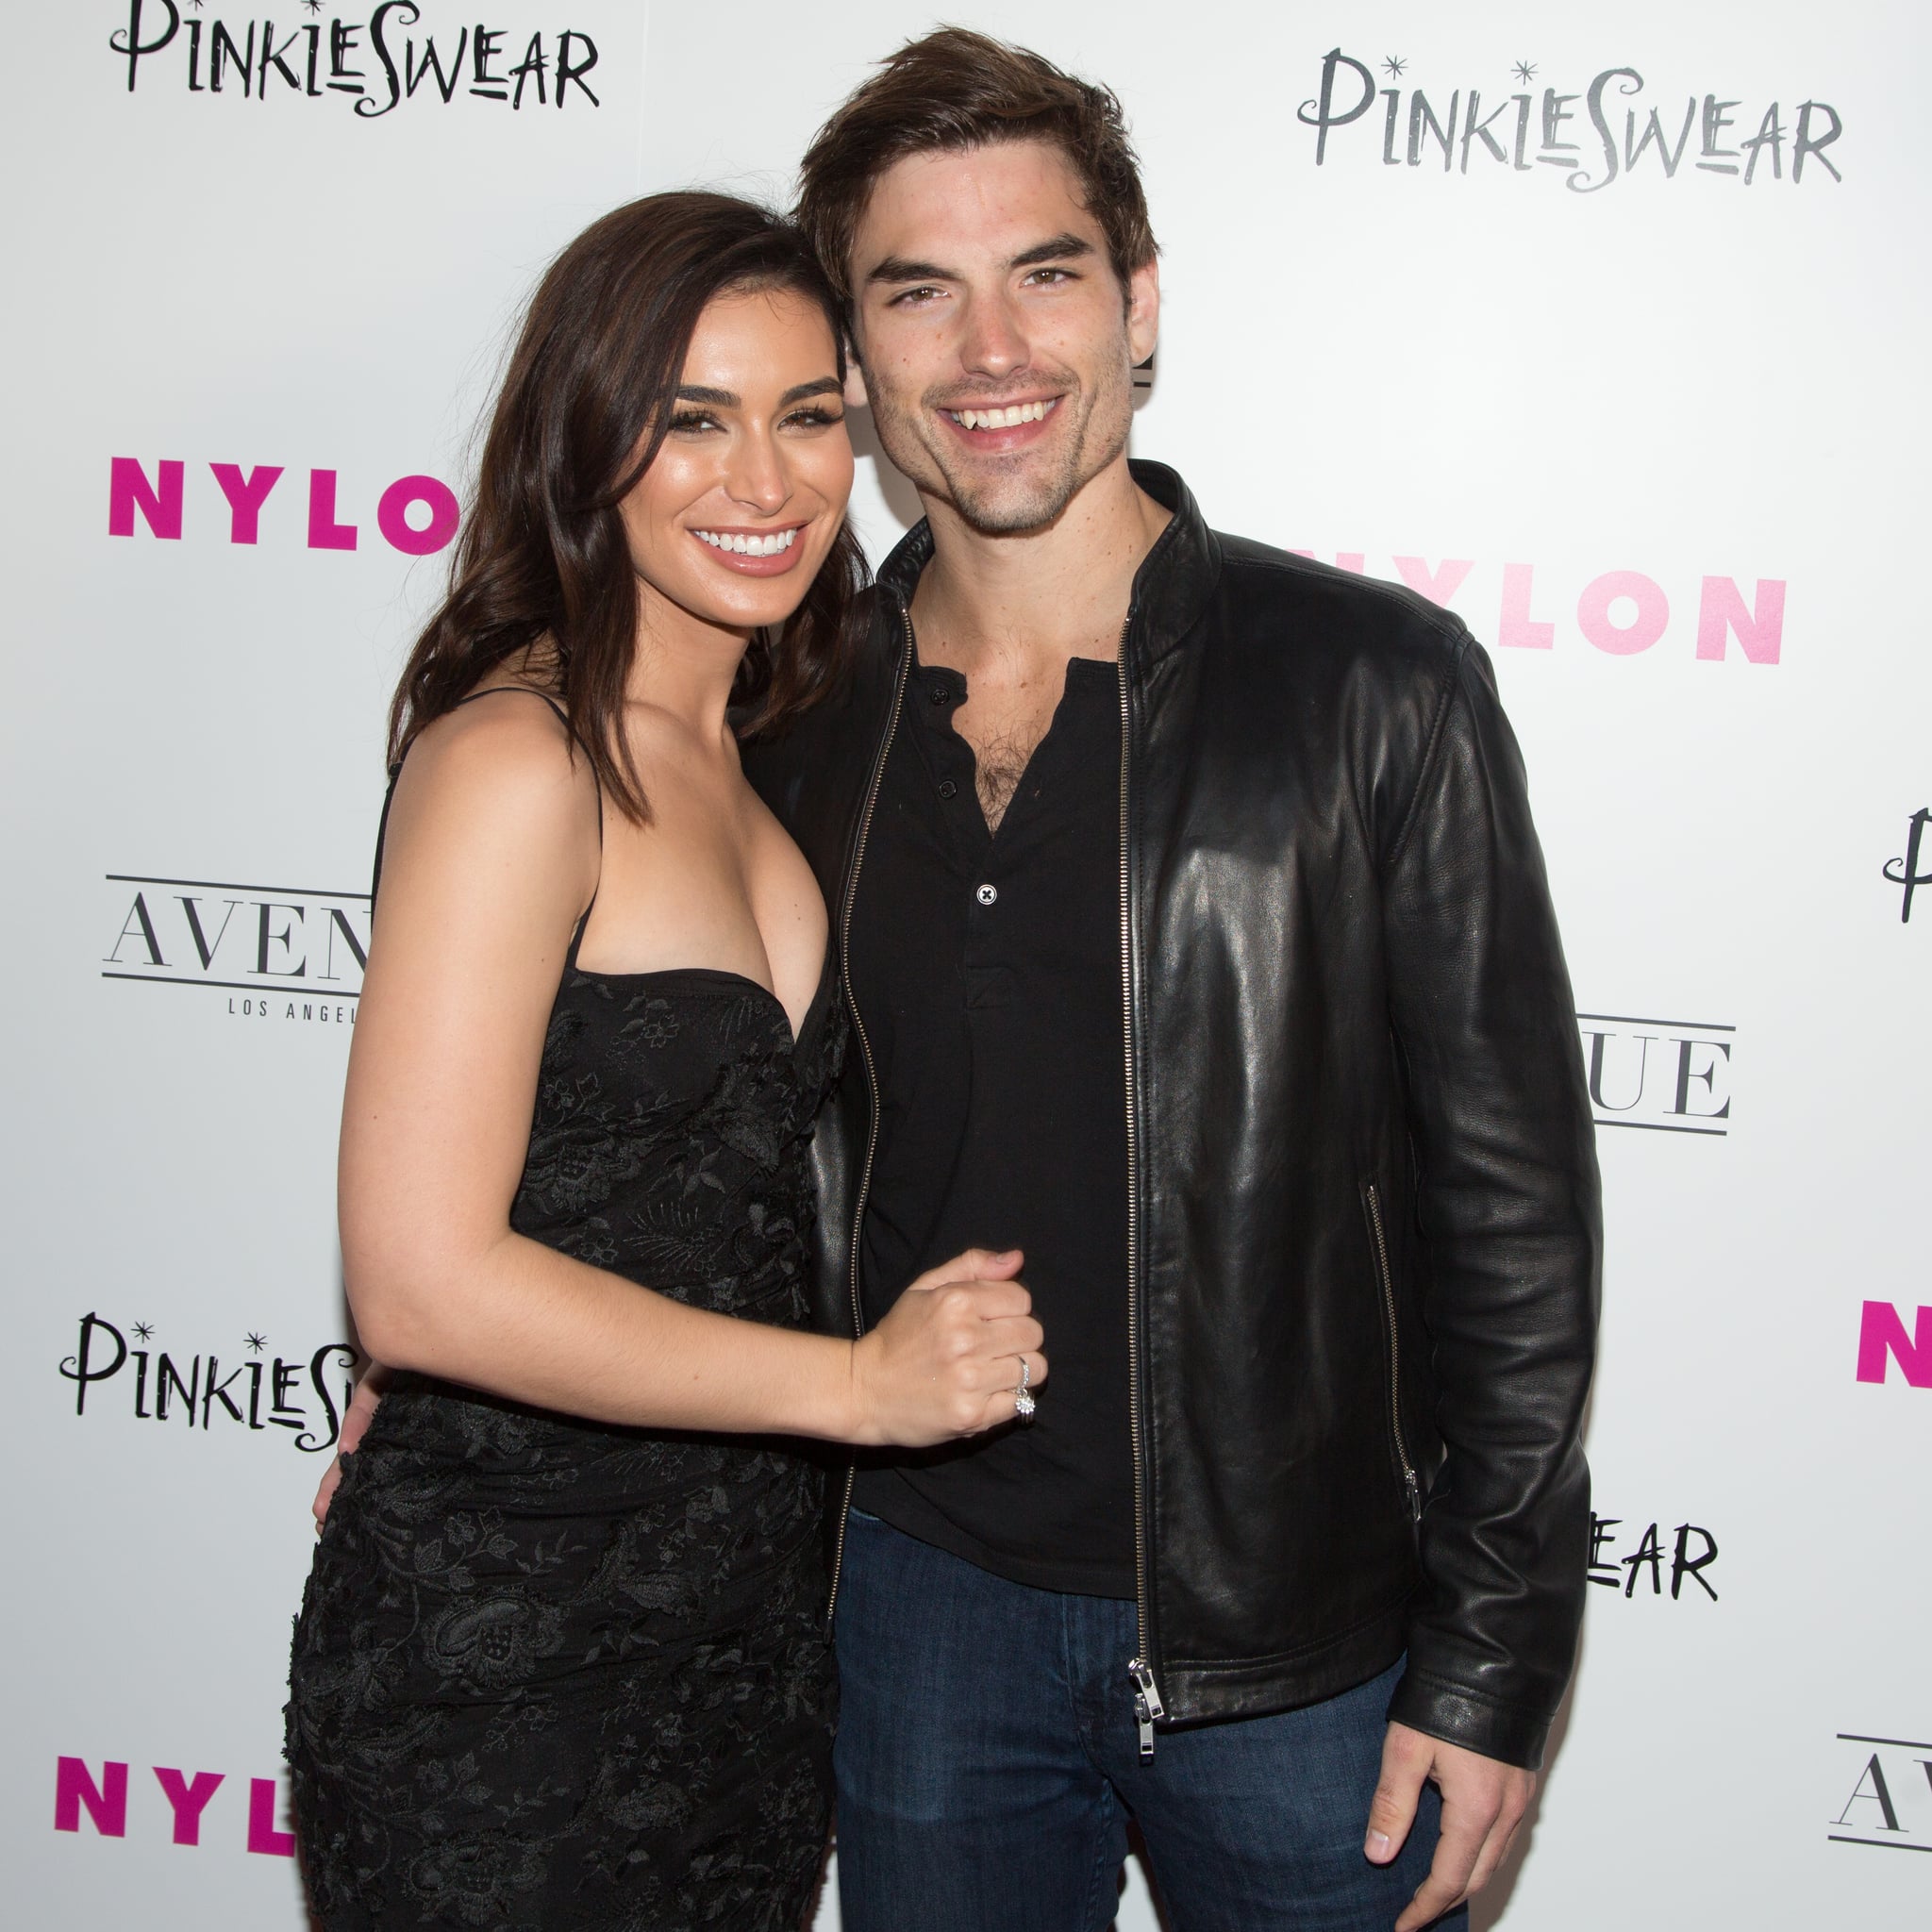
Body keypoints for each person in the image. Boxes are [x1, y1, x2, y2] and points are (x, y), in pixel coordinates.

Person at [746, 28, 1602, 1932]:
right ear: (854, 349)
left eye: (1045, 273)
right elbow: (692, 1128)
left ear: (1136, 304)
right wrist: (469, 1355)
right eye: (919, 292)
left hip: (1302, 1648)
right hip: (917, 1609)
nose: (991, 352)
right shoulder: (785, 715)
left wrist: (1489, 1662)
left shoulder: (1370, 686)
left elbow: (1513, 1221)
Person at [285, 191, 1046, 1932]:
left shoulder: (773, 748)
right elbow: (416, 1284)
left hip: (746, 1648)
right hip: (510, 1657)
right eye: (692, 419)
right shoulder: (516, 761)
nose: (764, 482)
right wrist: (859, 1388)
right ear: (587, 440)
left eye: (807, 417)